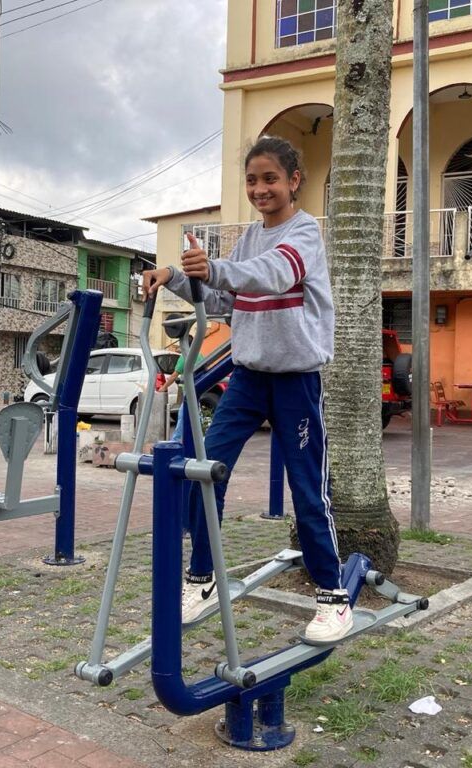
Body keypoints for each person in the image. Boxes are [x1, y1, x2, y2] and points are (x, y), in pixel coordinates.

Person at [141, 135, 351, 644]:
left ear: (294, 180)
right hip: (249, 377)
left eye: (270, 179)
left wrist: (214, 267)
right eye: (253, 180)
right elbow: (218, 294)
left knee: (306, 487)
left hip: (296, 380)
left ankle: (332, 598)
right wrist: (173, 275)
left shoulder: (304, 236)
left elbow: (272, 276)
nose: (260, 189)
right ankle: (203, 577)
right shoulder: (249, 240)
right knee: (204, 471)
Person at [158, 335, 193, 443]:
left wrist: (163, 388)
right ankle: (198, 439)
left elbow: (173, 376)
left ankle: (175, 441)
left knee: (182, 415)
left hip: (190, 392)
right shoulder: (199, 354)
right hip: (198, 390)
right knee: (192, 416)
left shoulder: (184, 357)